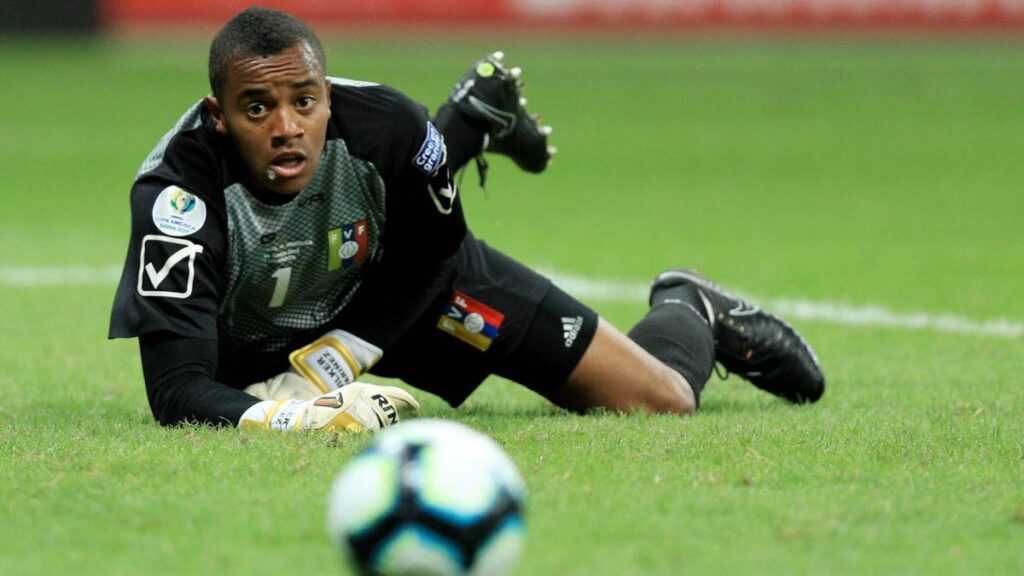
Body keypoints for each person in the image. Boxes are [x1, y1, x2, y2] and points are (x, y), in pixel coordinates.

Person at [109, 7, 824, 433]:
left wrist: (338, 362)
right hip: (270, 348)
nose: (287, 127)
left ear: (327, 94)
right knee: (227, 404)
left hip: (410, 290)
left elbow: (433, 256)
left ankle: (688, 304)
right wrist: (299, 416)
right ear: (219, 116)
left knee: (662, 403)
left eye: (305, 101)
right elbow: (177, 389)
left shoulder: (385, 126)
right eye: (258, 109)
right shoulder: (179, 195)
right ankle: (476, 118)